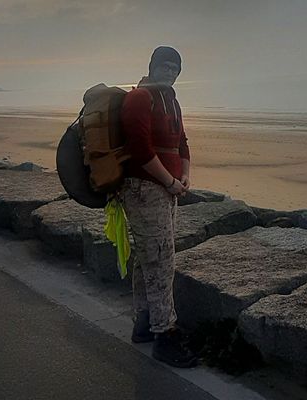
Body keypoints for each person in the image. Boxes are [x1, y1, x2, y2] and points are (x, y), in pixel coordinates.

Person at [119, 46, 196, 368]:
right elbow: (139, 149)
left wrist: (185, 176)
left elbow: (182, 142)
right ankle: (165, 334)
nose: (170, 72)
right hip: (143, 189)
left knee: (147, 257)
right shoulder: (140, 98)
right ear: (152, 67)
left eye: (175, 68)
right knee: (161, 260)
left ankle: (144, 323)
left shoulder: (171, 99)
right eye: (165, 66)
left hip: (166, 188)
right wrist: (168, 181)